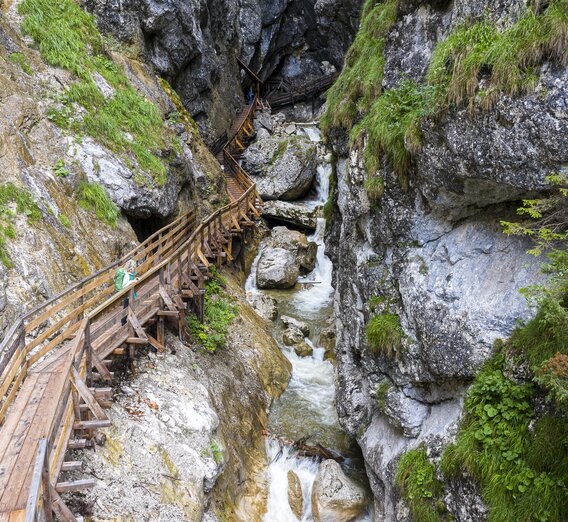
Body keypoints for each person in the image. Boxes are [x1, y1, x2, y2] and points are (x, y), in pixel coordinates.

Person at [117, 260, 139, 325]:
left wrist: (135, 279)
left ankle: (131, 318)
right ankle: (123, 321)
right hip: (127, 295)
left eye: (134, 268)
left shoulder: (130, 275)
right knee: (126, 307)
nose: (133, 269)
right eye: (132, 268)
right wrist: (133, 281)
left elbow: (131, 280)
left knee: (131, 306)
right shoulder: (126, 275)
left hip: (131, 293)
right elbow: (124, 285)